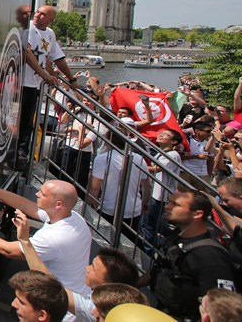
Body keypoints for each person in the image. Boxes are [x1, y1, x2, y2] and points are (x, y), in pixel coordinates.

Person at [0, 173, 92, 294]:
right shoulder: (72, 217)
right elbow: (24, 204)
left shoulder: (54, 238)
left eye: (44, 194)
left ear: (58, 204)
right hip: (74, 293)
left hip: (61, 306)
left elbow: (7, 250)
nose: (37, 194)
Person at [15, 209, 140, 322]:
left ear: (108, 284)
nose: (87, 268)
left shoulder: (93, 307)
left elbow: (51, 287)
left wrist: (25, 242)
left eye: (94, 269)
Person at [140, 189, 238, 318]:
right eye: (169, 202)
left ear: (197, 214)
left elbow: (223, 308)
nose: (167, 207)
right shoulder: (177, 236)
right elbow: (156, 271)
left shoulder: (211, 256)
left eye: (176, 204)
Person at [18, 6, 79, 166]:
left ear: (51, 19)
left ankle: (22, 153)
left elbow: (56, 58)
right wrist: (45, 74)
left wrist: (71, 80)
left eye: (43, 14)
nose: (37, 15)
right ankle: (18, 153)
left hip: (34, 84)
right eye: (37, 12)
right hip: (21, 81)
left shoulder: (50, 34)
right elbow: (27, 52)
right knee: (20, 118)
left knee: (28, 121)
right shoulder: (27, 27)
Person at [88, 134, 151, 233]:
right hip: (134, 210)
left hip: (109, 209)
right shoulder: (139, 158)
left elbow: (94, 188)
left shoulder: (102, 158)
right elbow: (147, 185)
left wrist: (86, 206)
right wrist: (145, 203)